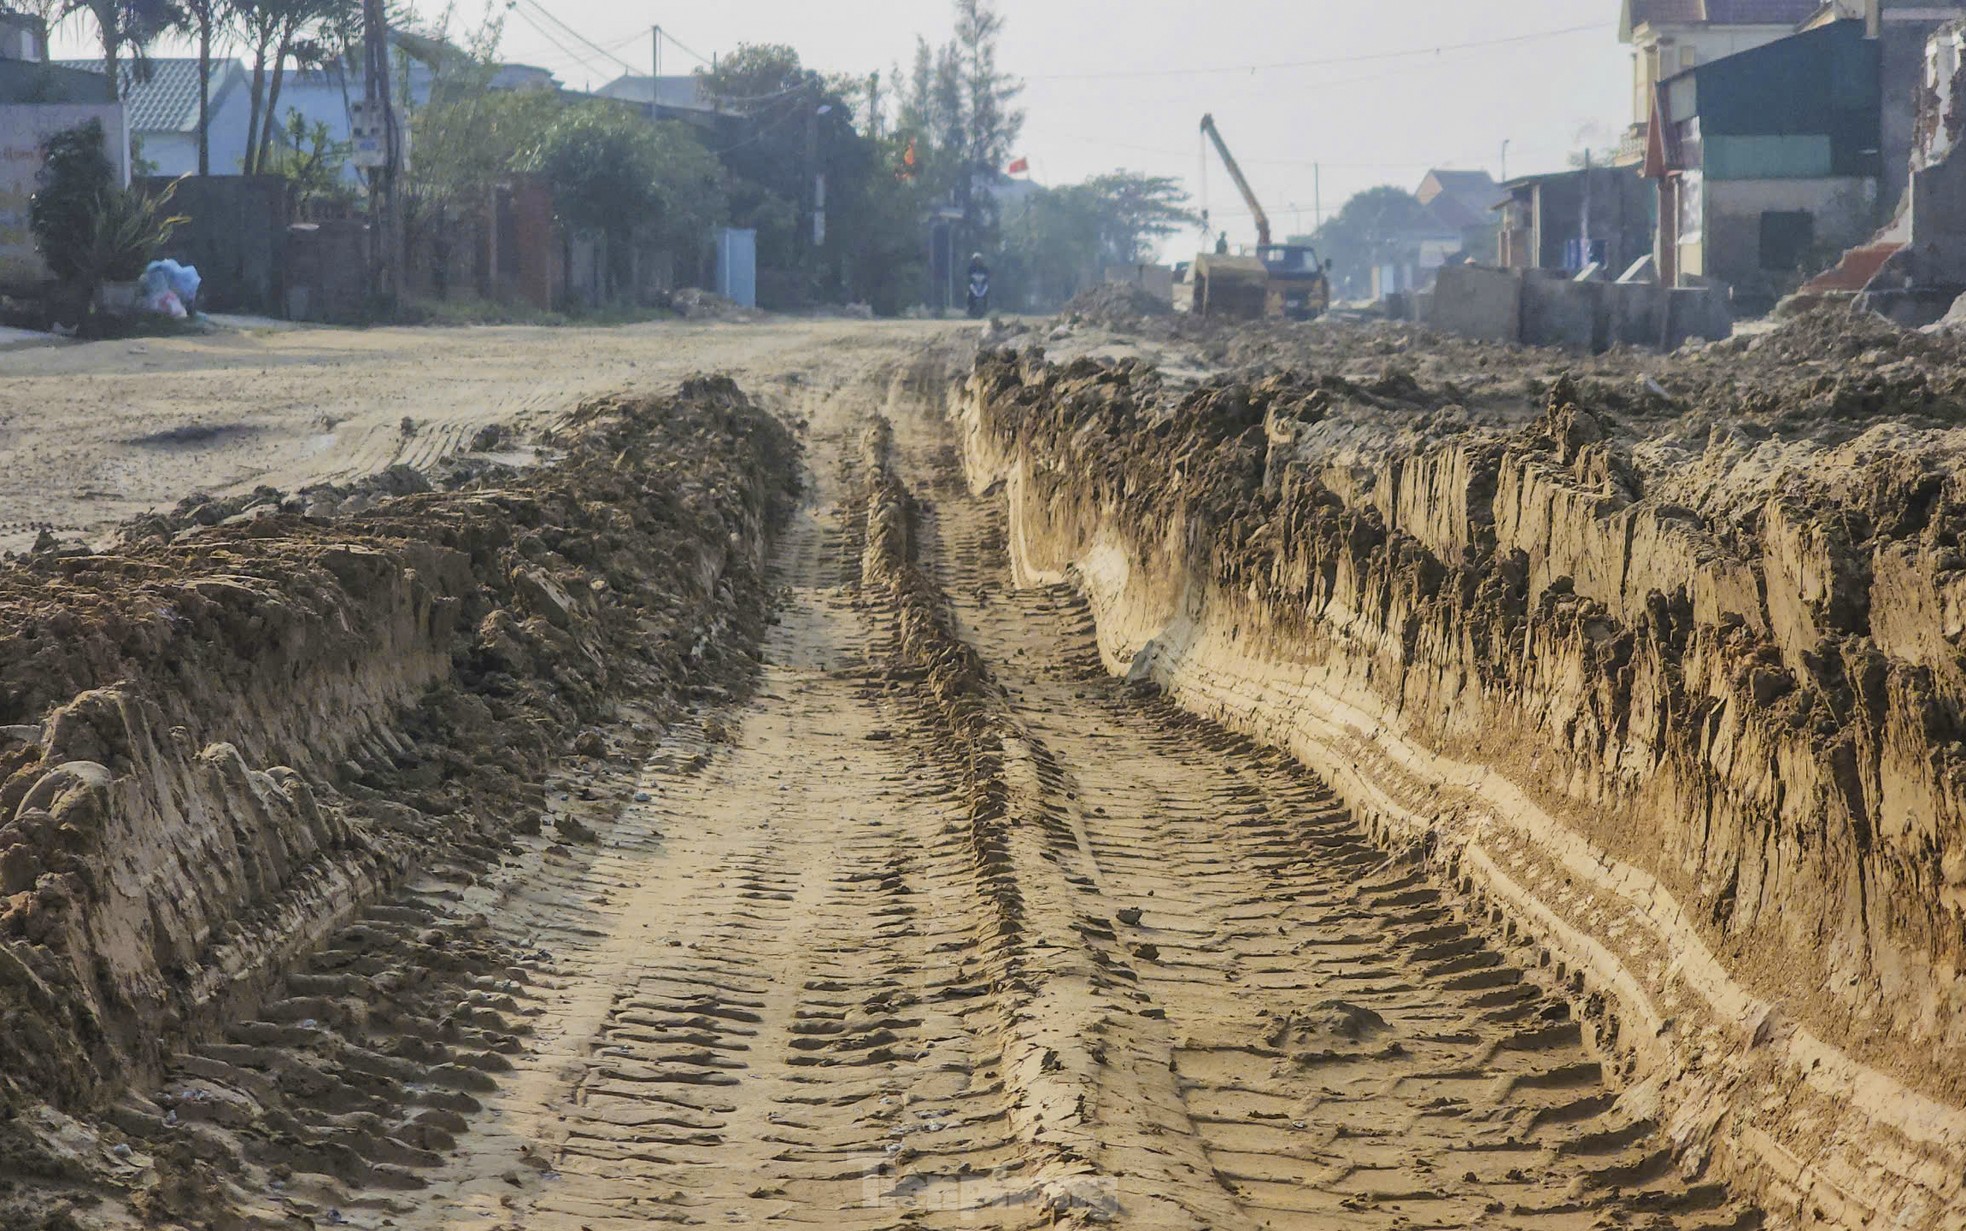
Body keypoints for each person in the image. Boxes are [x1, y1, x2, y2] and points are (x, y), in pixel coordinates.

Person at [966, 252, 990, 318]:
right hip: (974, 285)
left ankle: (986, 308)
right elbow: (968, 278)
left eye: (979, 260)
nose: (977, 261)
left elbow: (988, 277)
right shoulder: (970, 268)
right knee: (969, 294)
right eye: (976, 260)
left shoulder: (985, 268)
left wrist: (986, 282)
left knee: (986, 294)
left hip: (982, 285)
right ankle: (969, 307)